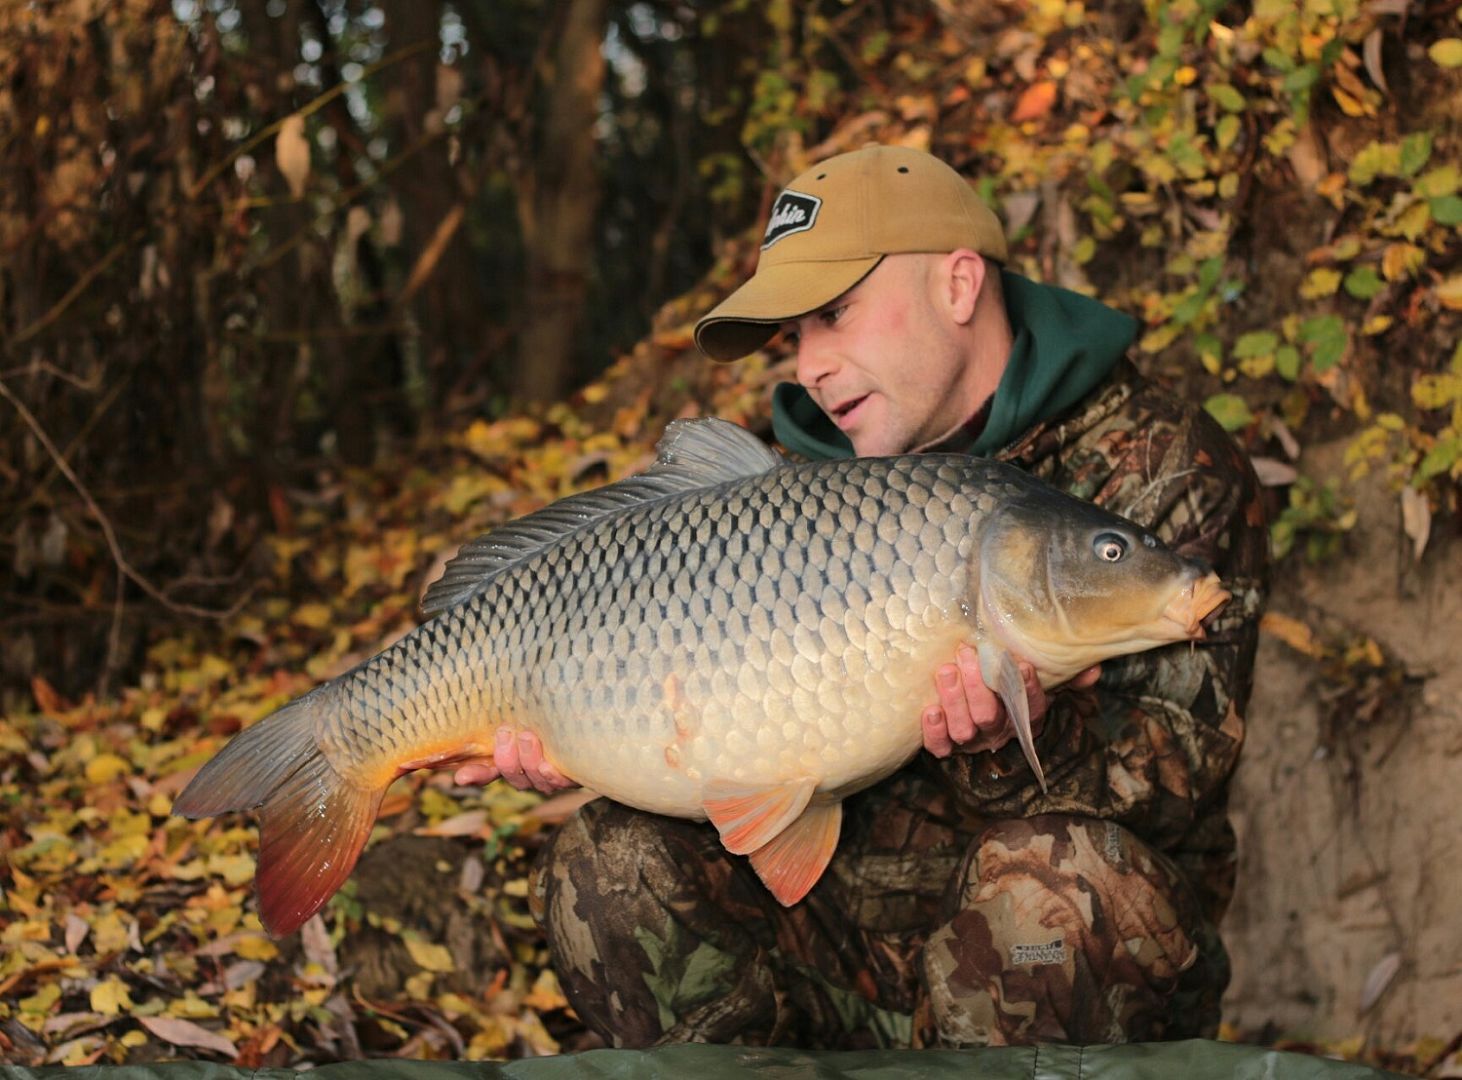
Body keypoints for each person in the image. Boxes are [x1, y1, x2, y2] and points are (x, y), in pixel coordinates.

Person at [460, 145, 1269, 1048]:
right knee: (604, 860)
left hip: (1051, 981)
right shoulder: (798, 497)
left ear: (958, 286)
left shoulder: (1161, 470)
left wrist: (1011, 739)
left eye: (835, 315)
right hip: (831, 953)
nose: (809, 366)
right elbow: (727, 758)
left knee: (1059, 884)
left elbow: (1175, 789)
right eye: (794, 338)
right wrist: (587, 730)